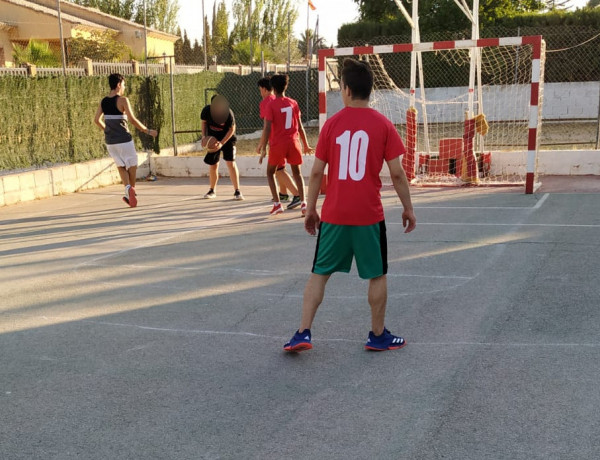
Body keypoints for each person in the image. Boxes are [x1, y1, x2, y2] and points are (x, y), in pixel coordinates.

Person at [283, 58, 417, 353]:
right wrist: (408, 208)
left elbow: (317, 172)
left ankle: (303, 332)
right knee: (377, 274)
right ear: (369, 91)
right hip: (368, 216)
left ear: (345, 89)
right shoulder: (383, 125)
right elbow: (397, 173)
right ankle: (377, 335)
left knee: (319, 272)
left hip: (334, 215)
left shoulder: (331, 125)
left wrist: (311, 209)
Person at [94, 73, 157, 207]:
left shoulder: (103, 101)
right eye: (123, 84)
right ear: (118, 85)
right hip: (124, 140)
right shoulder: (123, 100)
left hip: (110, 142)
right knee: (132, 164)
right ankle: (131, 189)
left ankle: (128, 190)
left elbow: (96, 120)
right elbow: (133, 120)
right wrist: (148, 131)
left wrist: (107, 130)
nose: (124, 86)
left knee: (121, 166)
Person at [257, 74, 312, 215]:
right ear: (286, 86)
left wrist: (263, 146)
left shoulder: (271, 105)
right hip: (294, 142)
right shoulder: (293, 103)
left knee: (270, 172)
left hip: (278, 144)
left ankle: (277, 204)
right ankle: (304, 204)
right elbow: (300, 126)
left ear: (273, 88)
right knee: (297, 173)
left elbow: (267, 128)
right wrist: (306, 144)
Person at [200, 94, 243, 200]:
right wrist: (204, 137)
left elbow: (232, 129)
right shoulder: (206, 111)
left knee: (230, 163)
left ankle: (237, 191)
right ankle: (212, 190)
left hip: (227, 139)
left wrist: (222, 143)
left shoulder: (228, 113)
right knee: (213, 165)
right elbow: (204, 123)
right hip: (213, 138)